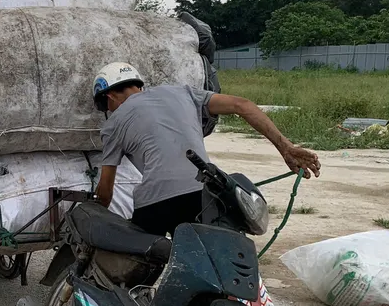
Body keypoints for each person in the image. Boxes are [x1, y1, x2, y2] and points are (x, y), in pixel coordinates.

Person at [92, 62, 321, 236]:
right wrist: (286, 148)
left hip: (156, 203)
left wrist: (94, 214)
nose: (109, 111)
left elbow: (106, 190)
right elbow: (243, 105)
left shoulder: (113, 124)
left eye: (105, 106)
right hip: (206, 194)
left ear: (109, 96)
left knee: (136, 264)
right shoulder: (183, 92)